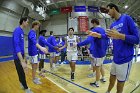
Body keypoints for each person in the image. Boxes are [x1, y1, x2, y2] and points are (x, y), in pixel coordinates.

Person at [89, 3, 139, 93]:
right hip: (115, 59)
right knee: (111, 80)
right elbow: (106, 36)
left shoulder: (126, 18)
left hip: (125, 59)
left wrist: (120, 36)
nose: (107, 13)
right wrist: (98, 35)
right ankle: (108, 91)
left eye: (108, 10)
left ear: (113, 8)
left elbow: (137, 39)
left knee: (119, 86)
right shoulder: (112, 25)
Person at [13, 17, 33, 93]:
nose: (28, 24)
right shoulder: (17, 30)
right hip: (17, 57)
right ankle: (26, 88)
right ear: (23, 22)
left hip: (21, 55)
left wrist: (25, 56)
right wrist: (21, 61)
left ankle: (21, 83)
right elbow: (16, 45)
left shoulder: (21, 31)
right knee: (21, 72)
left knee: (20, 72)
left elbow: (22, 45)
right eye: (27, 22)